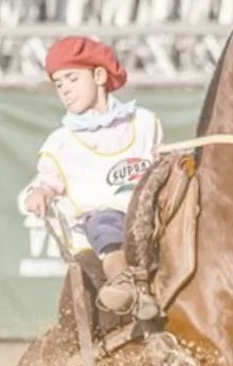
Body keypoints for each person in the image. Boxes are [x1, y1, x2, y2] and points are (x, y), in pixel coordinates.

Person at [23, 36, 161, 320]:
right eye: (59, 84)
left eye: (72, 79)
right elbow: (47, 183)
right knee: (105, 224)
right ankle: (127, 285)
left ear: (99, 75)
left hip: (148, 215)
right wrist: (40, 194)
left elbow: (160, 167)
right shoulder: (61, 142)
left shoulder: (144, 123)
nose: (65, 90)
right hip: (97, 228)